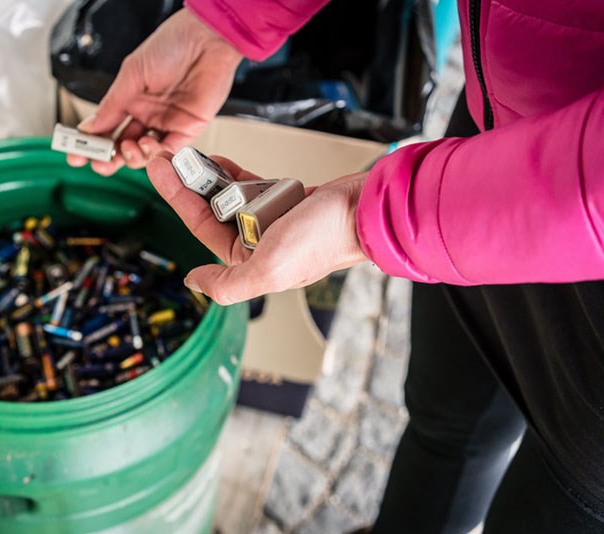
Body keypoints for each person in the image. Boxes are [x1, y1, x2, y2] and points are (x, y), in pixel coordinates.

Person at [67, 1, 604, 532]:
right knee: (444, 422)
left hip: (561, 267)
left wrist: (367, 216)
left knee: (545, 502)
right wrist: (226, 22)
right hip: (486, 150)